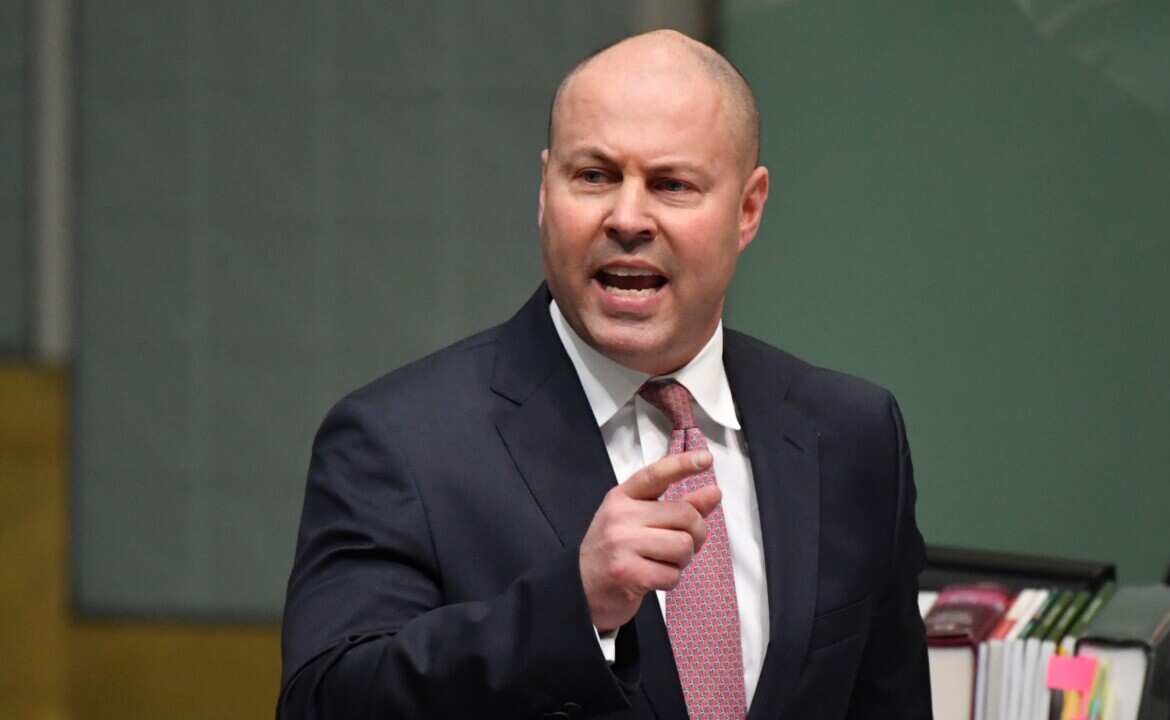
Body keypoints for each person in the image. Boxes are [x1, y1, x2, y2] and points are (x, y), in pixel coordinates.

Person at [279, 29, 931, 719]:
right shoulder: (400, 441)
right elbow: (324, 703)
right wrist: (574, 606)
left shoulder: (853, 435)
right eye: (593, 176)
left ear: (747, 209)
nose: (626, 218)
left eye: (671, 184)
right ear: (544, 190)